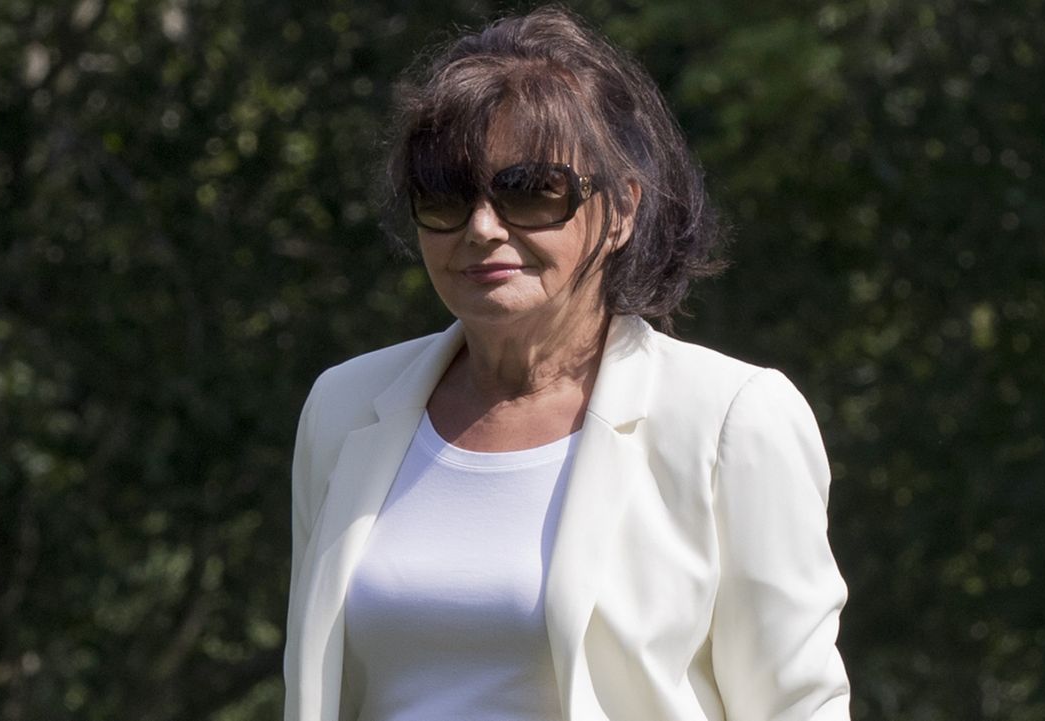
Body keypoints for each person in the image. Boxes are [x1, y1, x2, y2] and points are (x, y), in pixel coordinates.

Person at [284, 7, 850, 721]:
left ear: (619, 211)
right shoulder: (343, 406)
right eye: (446, 197)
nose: (484, 228)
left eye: (530, 191)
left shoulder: (731, 418)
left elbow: (798, 704)